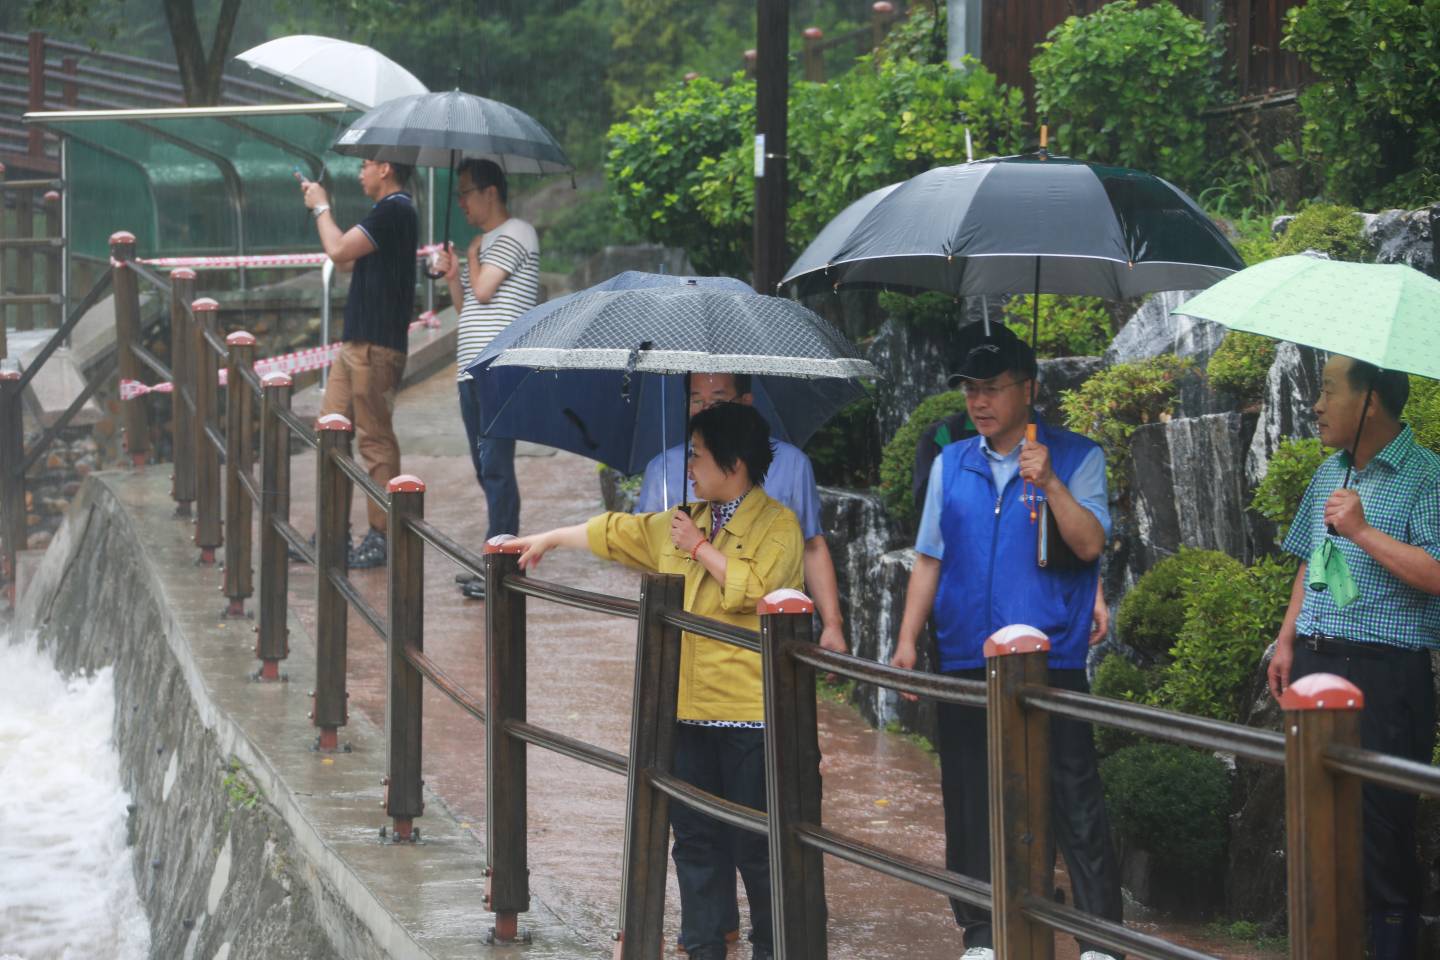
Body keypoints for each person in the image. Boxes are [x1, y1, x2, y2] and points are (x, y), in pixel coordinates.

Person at [509, 402, 803, 960]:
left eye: (698, 455)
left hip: (747, 712)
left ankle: (776, 947)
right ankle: (703, 946)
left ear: (733, 463)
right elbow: (617, 532)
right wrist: (549, 537)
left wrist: (699, 548)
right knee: (693, 840)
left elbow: (757, 589)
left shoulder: (777, 524)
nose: (689, 465)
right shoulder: (682, 519)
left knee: (755, 844)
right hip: (685, 707)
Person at [889, 328, 1122, 960]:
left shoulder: (1077, 457)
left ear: (1029, 389)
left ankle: (1099, 937)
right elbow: (930, 559)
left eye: (991, 387)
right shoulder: (951, 462)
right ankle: (983, 931)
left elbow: (1090, 544)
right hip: (966, 649)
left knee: (1071, 789)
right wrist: (908, 640)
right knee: (969, 793)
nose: (978, 401)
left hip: (1050, 653)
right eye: (970, 388)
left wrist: (1049, 484)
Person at [1265, 355, 1440, 960]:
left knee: (1382, 835)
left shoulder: (1427, 476)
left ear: (1371, 400)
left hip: (1385, 674)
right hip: (1315, 662)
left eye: (1327, 391)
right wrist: (1286, 640)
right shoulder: (1329, 474)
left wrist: (1364, 531)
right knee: (1314, 827)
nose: (1315, 405)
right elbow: (1311, 561)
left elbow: (1439, 574)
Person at [300, 159, 418, 568]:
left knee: (374, 438)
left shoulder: (397, 209)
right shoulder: (383, 213)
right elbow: (346, 259)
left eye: (365, 165)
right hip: (355, 343)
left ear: (386, 168)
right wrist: (323, 212)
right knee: (330, 431)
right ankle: (332, 531)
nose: (359, 174)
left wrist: (321, 207)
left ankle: (383, 533)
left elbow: (336, 250)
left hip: (377, 345)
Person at [435, 159, 540, 599]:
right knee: (484, 466)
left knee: (496, 466)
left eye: (465, 193)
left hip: (501, 369)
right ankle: (499, 556)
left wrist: (473, 256)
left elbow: (484, 290)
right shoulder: (485, 243)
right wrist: (451, 273)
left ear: (490, 192)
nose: (461, 203)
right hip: (473, 369)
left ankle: (503, 569)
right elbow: (469, 307)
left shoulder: (516, 233)